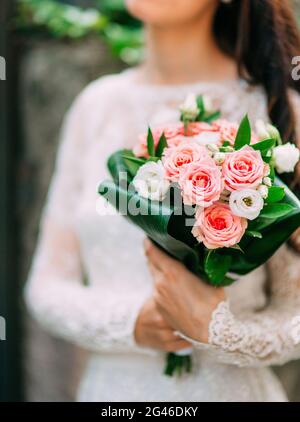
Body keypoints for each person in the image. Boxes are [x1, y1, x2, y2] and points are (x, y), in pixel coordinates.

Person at [25, 0, 300, 401]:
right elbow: (46, 287)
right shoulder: (95, 106)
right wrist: (131, 323)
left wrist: (219, 331)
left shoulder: (275, 109)